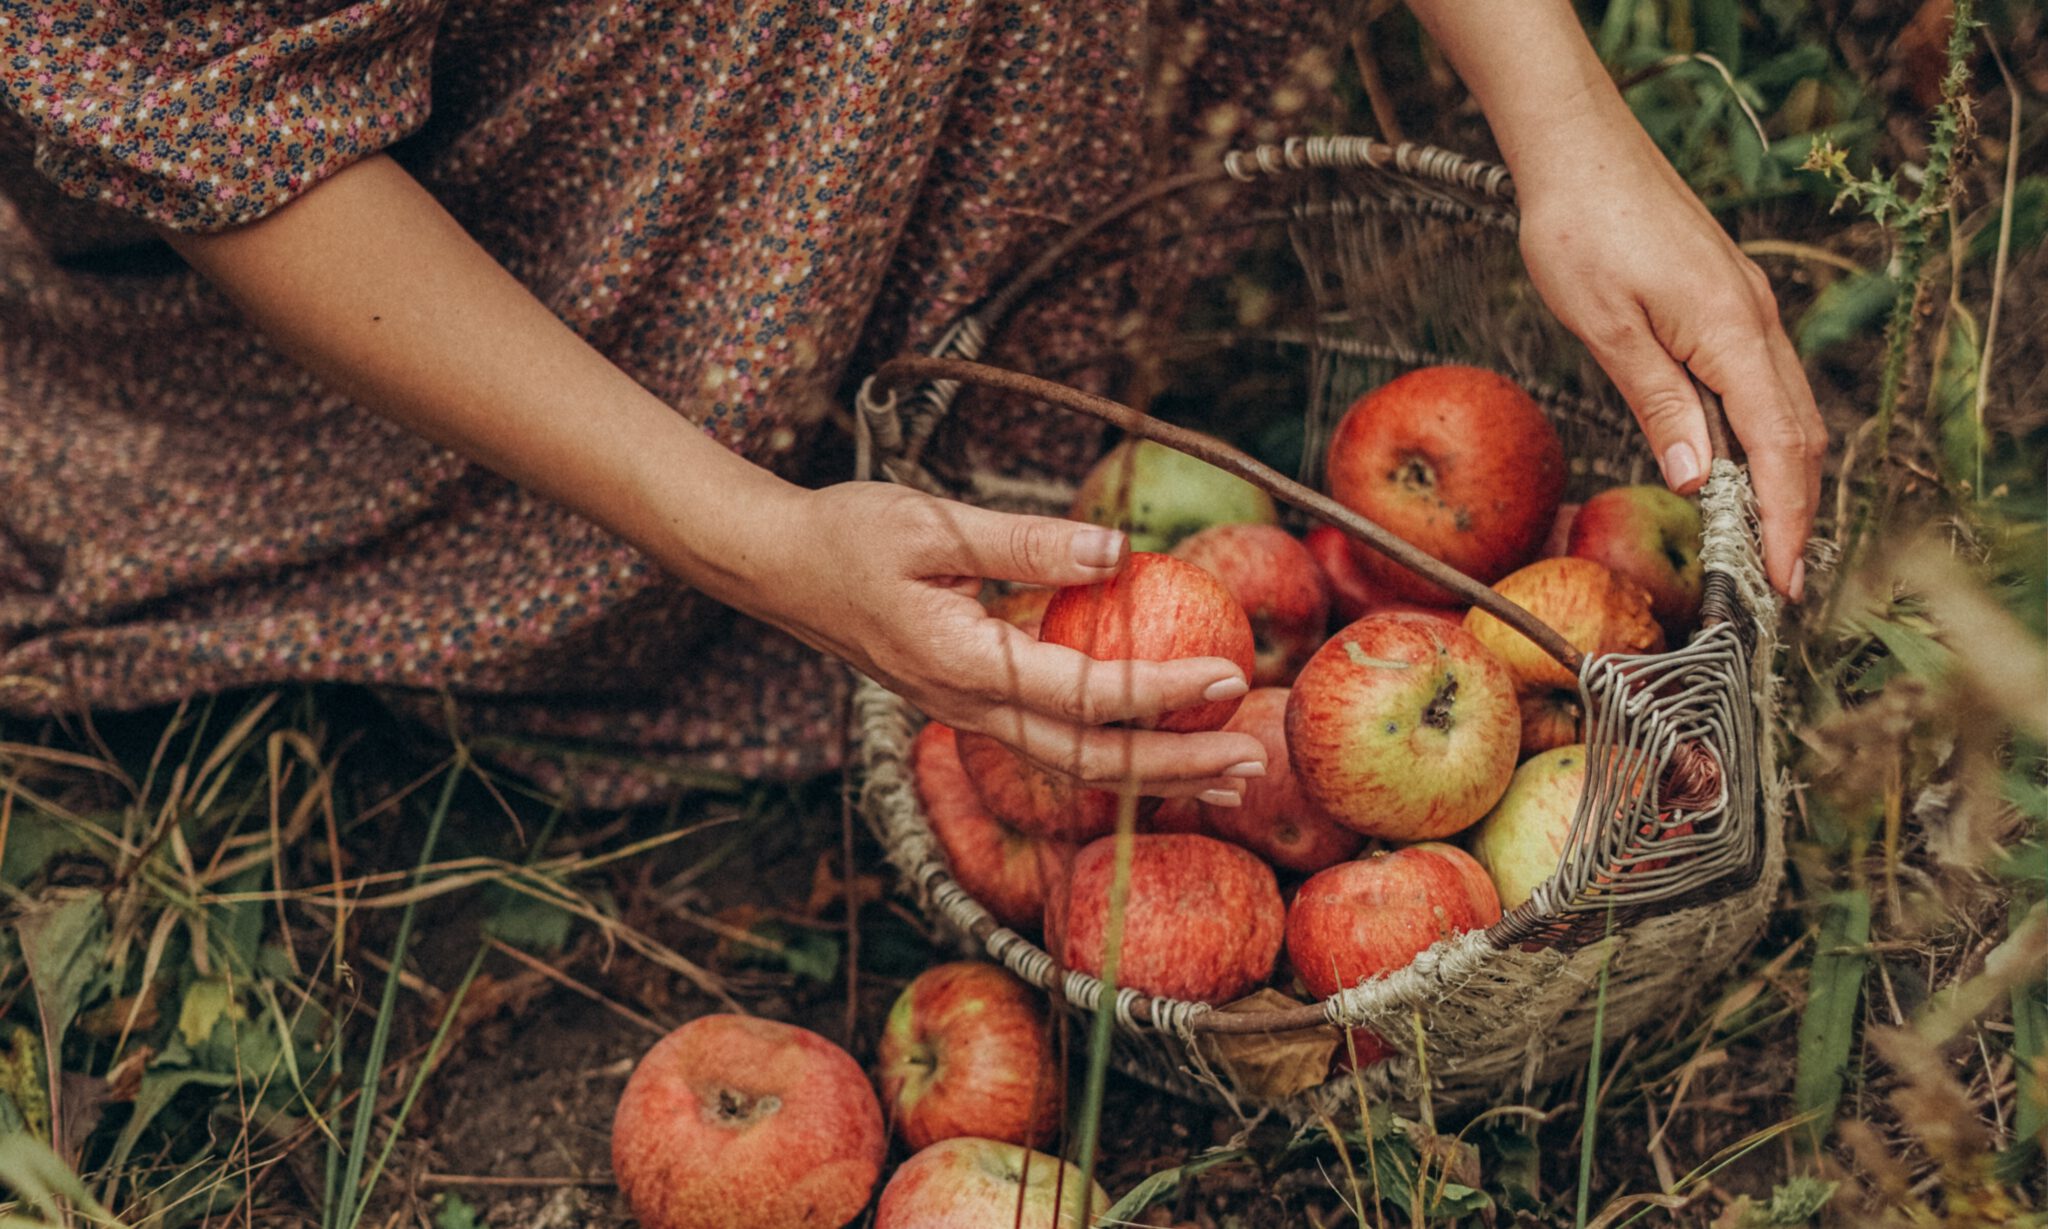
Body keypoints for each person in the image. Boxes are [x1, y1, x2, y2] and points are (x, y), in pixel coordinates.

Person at [0, 1, 1823, 810]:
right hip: (521, 217)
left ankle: (924, 348)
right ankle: (635, 543)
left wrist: (1562, 117)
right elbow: (226, 113)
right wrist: (756, 540)